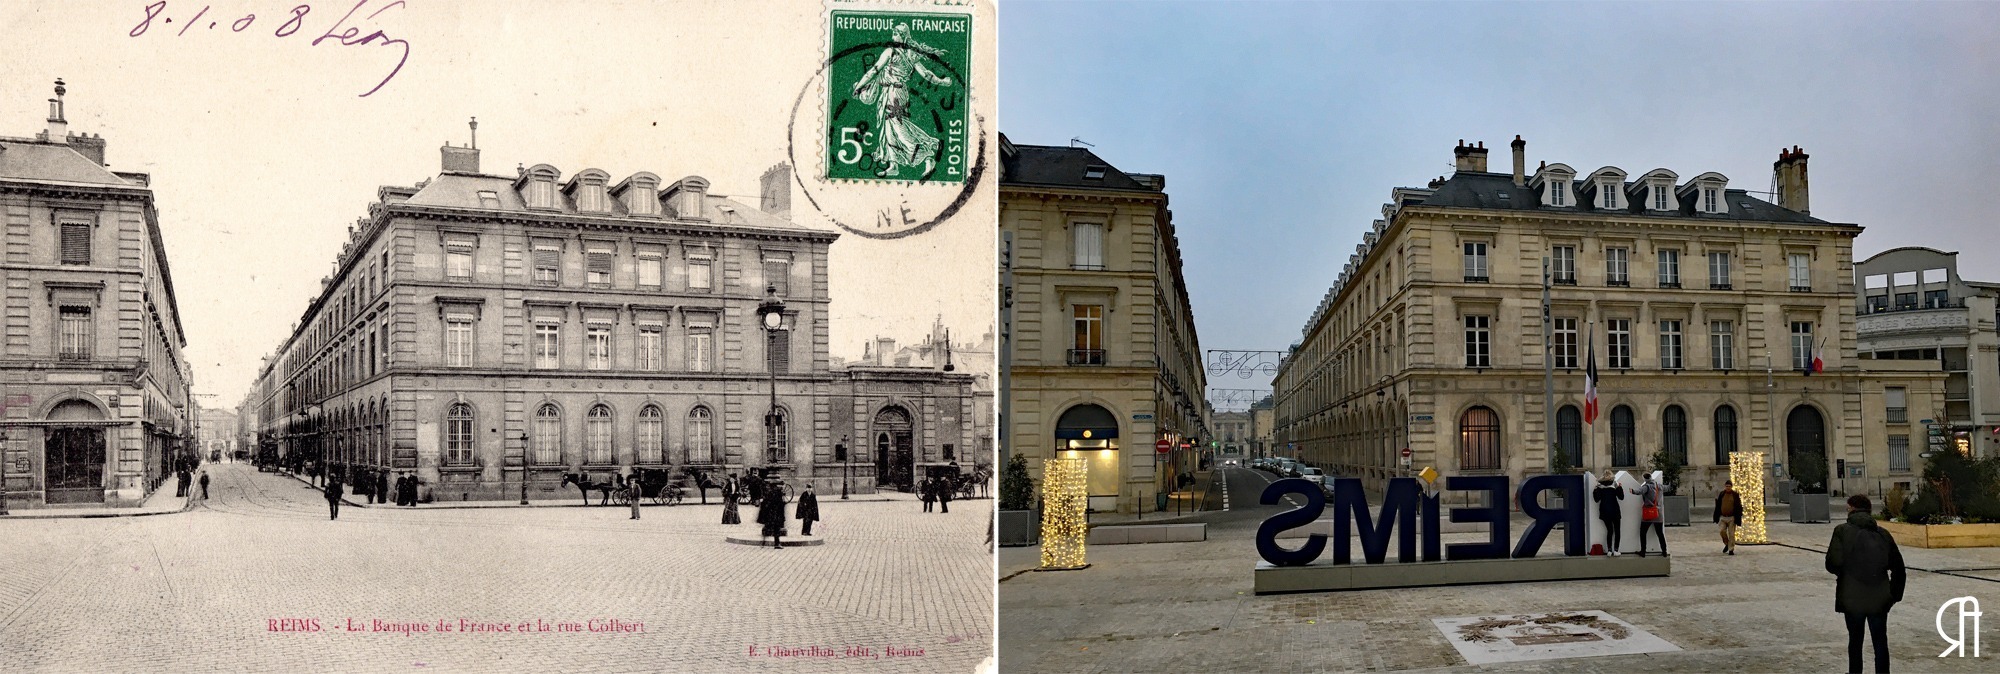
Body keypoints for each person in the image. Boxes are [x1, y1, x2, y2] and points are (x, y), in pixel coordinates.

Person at [1826, 494, 1906, 674]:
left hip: (1852, 596)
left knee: (1855, 641)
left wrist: (1847, 573)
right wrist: (1893, 595)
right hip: (1879, 597)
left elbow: (1833, 564)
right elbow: (1898, 567)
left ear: (1852, 509)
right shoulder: (1883, 533)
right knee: (1880, 642)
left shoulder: (1842, 531)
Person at [1629, 473, 1667, 557]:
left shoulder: (1647, 487)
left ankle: (1643, 551)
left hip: (1648, 514)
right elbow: (1667, 488)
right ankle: (1664, 551)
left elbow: (1639, 491)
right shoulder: (1659, 486)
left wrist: (1632, 491)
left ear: (1645, 479)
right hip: (1658, 514)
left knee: (1643, 532)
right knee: (1660, 534)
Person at [1592, 476, 1623, 556]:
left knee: (1610, 530)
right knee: (1617, 531)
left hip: (1605, 511)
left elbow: (1596, 499)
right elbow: (1621, 497)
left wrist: (1595, 490)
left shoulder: (1600, 488)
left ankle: (1609, 550)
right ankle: (1616, 550)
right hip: (1615, 511)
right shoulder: (1614, 487)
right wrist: (1620, 487)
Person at [1714, 480, 1745, 555]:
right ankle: (1727, 544)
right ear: (1725, 486)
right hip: (1723, 517)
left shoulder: (1735, 495)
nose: (1728, 488)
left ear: (1731, 487)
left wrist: (1738, 515)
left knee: (1731, 534)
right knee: (1722, 531)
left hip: (1732, 518)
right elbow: (1718, 505)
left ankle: (1731, 549)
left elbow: (1738, 505)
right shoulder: (1722, 494)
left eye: (1729, 486)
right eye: (1727, 486)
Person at [757, 479, 788, 549]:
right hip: (775, 515)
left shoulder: (770, 492)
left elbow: (766, 503)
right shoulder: (777, 493)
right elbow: (779, 504)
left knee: (768, 527)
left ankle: (763, 542)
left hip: (770, 515)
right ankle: (776, 544)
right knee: (776, 529)